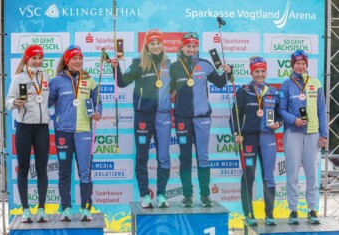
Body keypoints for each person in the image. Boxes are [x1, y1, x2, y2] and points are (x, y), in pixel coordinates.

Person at [111, 29, 172, 208]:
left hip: (163, 116)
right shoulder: (139, 63)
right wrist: (114, 68)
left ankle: (161, 195)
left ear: (162, 44)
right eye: (152, 43)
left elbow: (177, 86)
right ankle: (145, 195)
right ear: (147, 45)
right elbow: (122, 82)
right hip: (143, 116)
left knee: (163, 157)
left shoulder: (169, 64)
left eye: (158, 43)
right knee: (142, 157)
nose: (155, 46)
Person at [170, 32, 231, 208]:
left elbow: (220, 83)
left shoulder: (205, 64)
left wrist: (228, 72)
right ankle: (188, 196)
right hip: (182, 119)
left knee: (203, 156)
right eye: (188, 46)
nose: (191, 49)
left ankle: (205, 195)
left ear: (197, 48)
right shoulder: (174, 67)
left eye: (194, 46)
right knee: (185, 157)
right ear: (182, 47)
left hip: (202, 118)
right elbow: (168, 91)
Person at [49, 45, 102, 222]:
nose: (78, 61)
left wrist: (97, 112)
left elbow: (97, 101)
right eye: (74, 58)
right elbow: (47, 103)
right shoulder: (56, 81)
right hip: (63, 132)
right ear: (67, 60)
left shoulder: (89, 79)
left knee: (85, 172)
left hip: (84, 132)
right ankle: (66, 209)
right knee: (64, 172)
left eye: (80, 58)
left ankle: (86, 208)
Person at [231, 57, 281, 226]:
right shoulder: (244, 90)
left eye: (262, 71)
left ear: (266, 72)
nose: (260, 74)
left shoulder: (273, 91)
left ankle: (269, 214)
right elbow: (235, 115)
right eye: (256, 71)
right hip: (249, 138)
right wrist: (236, 133)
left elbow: (279, 114)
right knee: (249, 176)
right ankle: (249, 213)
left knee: (269, 176)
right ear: (251, 72)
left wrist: (278, 123)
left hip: (267, 137)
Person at [279, 50, 327, 225]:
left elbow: (322, 109)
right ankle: (293, 210)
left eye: (303, 63)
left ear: (307, 65)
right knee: (292, 173)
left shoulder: (315, 83)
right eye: (297, 63)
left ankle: (312, 209)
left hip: (313, 133)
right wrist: (294, 120)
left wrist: (324, 134)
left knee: (312, 174)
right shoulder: (286, 84)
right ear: (293, 65)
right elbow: (281, 110)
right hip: (293, 133)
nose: (301, 66)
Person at [6, 45, 50, 223]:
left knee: (42, 169)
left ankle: (41, 209)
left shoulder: (45, 76)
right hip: (24, 128)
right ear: (27, 59)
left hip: (42, 129)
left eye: (40, 58)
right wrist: (14, 102)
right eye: (34, 58)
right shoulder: (18, 78)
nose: (37, 61)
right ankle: (25, 209)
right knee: (23, 168)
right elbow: (8, 100)